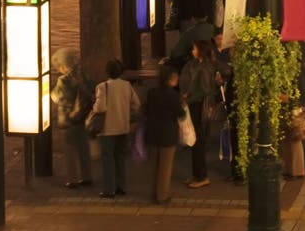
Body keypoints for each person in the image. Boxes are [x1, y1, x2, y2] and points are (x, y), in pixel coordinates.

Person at [92, 59, 141, 198]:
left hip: (107, 129)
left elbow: (100, 107)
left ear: (107, 72)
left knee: (108, 159)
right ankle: (122, 186)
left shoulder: (102, 86)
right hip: (123, 127)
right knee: (120, 158)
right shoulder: (127, 85)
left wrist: (94, 107)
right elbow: (136, 104)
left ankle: (109, 189)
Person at [50, 48, 93, 190]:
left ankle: (72, 179)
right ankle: (87, 176)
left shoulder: (63, 80)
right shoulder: (82, 75)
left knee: (70, 149)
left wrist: (51, 92)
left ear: (63, 65)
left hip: (68, 119)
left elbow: (58, 97)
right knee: (83, 147)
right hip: (82, 116)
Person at [144, 64, 185, 204]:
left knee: (154, 165)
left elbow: (147, 110)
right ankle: (162, 196)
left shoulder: (151, 92)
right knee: (165, 167)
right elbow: (180, 114)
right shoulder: (172, 95)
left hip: (152, 132)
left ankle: (153, 192)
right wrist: (183, 105)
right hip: (167, 134)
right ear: (171, 78)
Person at [179, 40, 217, 188]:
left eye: (194, 48)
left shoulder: (203, 68)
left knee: (198, 141)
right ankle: (197, 175)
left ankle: (202, 176)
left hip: (199, 107)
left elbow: (203, 90)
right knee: (196, 141)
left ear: (201, 50)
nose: (192, 50)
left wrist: (187, 99)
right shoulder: (202, 65)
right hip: (197, 106)